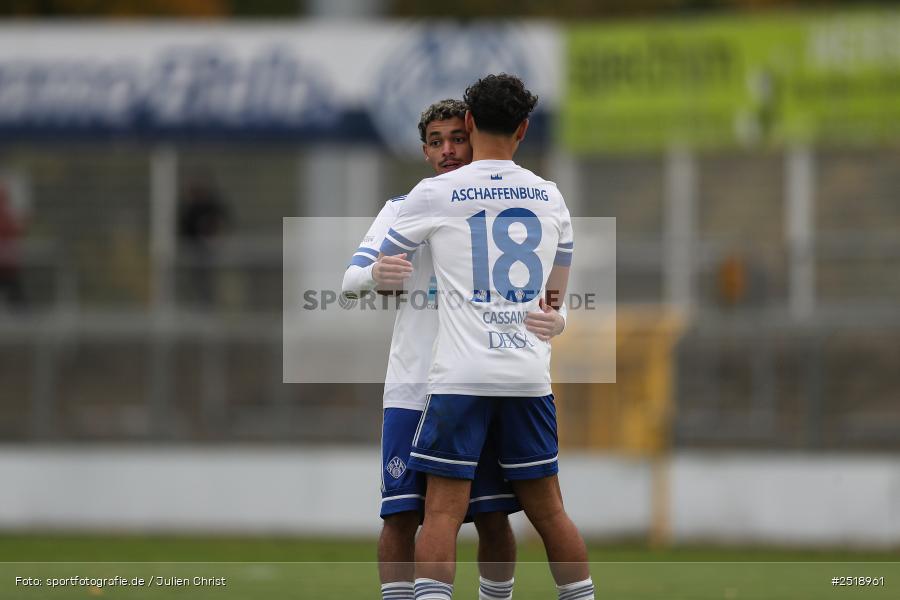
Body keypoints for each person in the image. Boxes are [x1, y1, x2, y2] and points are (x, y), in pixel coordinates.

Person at [342, 99, 567, 600]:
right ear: (424, 152)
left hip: (475, 382)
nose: (447, 151)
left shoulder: (513, 205)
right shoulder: (406, 206)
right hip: (413, 385)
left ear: (472, 134)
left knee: (491, 515)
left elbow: (547, 293)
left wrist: (559, 318)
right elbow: (350, 276)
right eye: (435, 142)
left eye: (455, 139)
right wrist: (372, 275)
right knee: (401, 514)